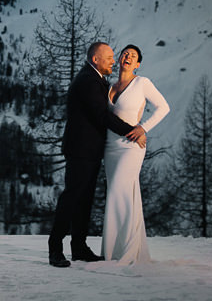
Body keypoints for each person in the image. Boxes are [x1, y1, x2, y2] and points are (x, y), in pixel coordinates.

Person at [47, 42, 142, 268]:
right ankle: (55, 248)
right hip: (81, 150)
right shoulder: (89, 81)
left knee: (84, 200)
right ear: (96, 59)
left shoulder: (95, 78)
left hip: (89, 151)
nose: (113, 61)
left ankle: (79, 248)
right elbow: (102, 116)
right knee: (72, 198)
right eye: (109, 57)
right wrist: (132, 131)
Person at [101, 44, 170, 264]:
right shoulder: (109, 86)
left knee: (117, 193)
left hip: (131, 147)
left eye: (133, 56)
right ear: (120, 59)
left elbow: (164, 107)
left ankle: (119, 253)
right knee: (123, 194)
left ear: (137, 64)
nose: (128, 57)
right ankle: (122, 249)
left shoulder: (142, 83)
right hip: (109, 148)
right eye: (125, 54)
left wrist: (144, 128)